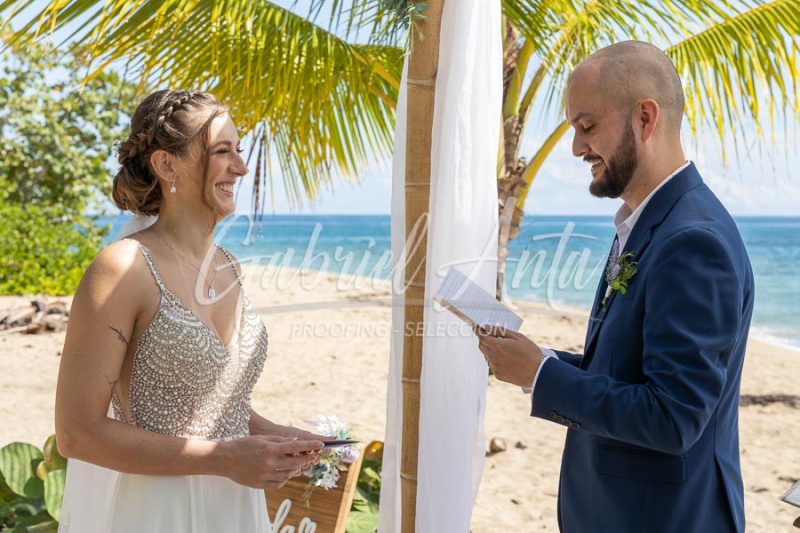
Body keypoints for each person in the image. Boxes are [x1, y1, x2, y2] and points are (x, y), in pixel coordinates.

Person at [476, 41, 754, 532]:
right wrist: (537, 361)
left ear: (645, 119)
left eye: (588, 127)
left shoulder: (692, 241)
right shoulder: (650, 223)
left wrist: (543, 376)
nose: (577, 148)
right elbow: (629, 373)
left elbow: (673, 417)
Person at [56, 89, 326, 532]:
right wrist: (224, 458)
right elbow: (76, 433)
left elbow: (218, 401)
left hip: (235, 505)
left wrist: (274, 436)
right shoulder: (123, 268)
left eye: (238, 151)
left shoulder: (229, 267)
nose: (240, 167)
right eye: (223, 152)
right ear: (166, 165)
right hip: (158, 509)